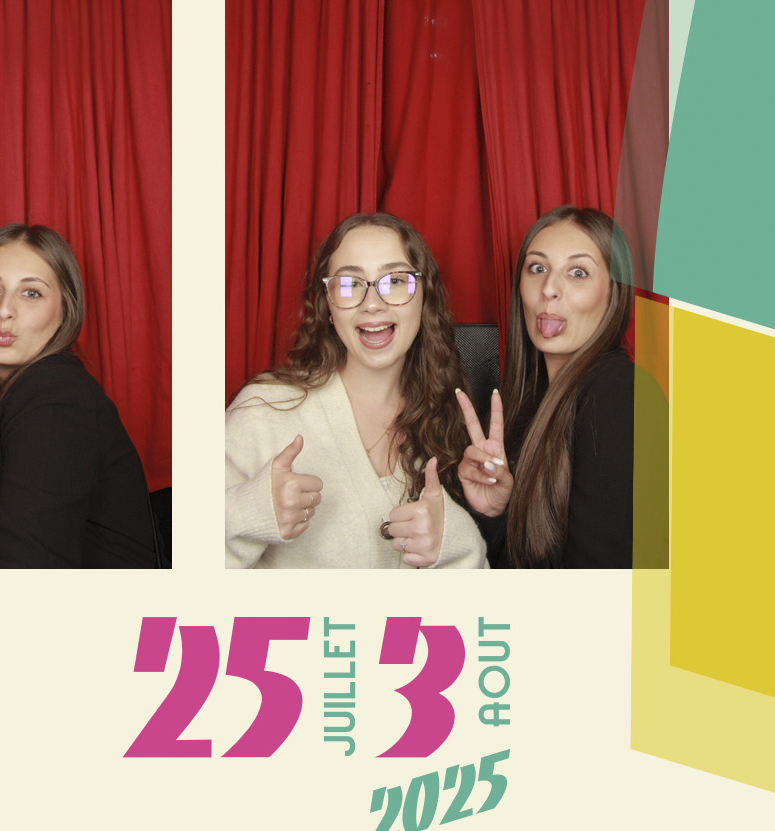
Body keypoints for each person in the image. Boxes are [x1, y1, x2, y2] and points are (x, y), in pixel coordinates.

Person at [225, 213, 487, 569]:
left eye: (395, 281)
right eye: (349, 284)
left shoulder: (446, 418)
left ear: (424, 299)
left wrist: (458, 541)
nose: (372, 303)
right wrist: (247, 514)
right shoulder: (264, 410)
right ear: (328, 306)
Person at [0, 224, 159, 568]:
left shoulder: (54, 396)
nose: (4, 309)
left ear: (66, 310)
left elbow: (27, 575)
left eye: (31, 293)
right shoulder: (11, 392)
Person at [456, 206, 641, 568]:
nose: (549, 289)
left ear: (614, 292)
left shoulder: (618, 391)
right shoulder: (528, 403)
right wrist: (495, 512)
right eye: (537, 268)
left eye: (578, 272)